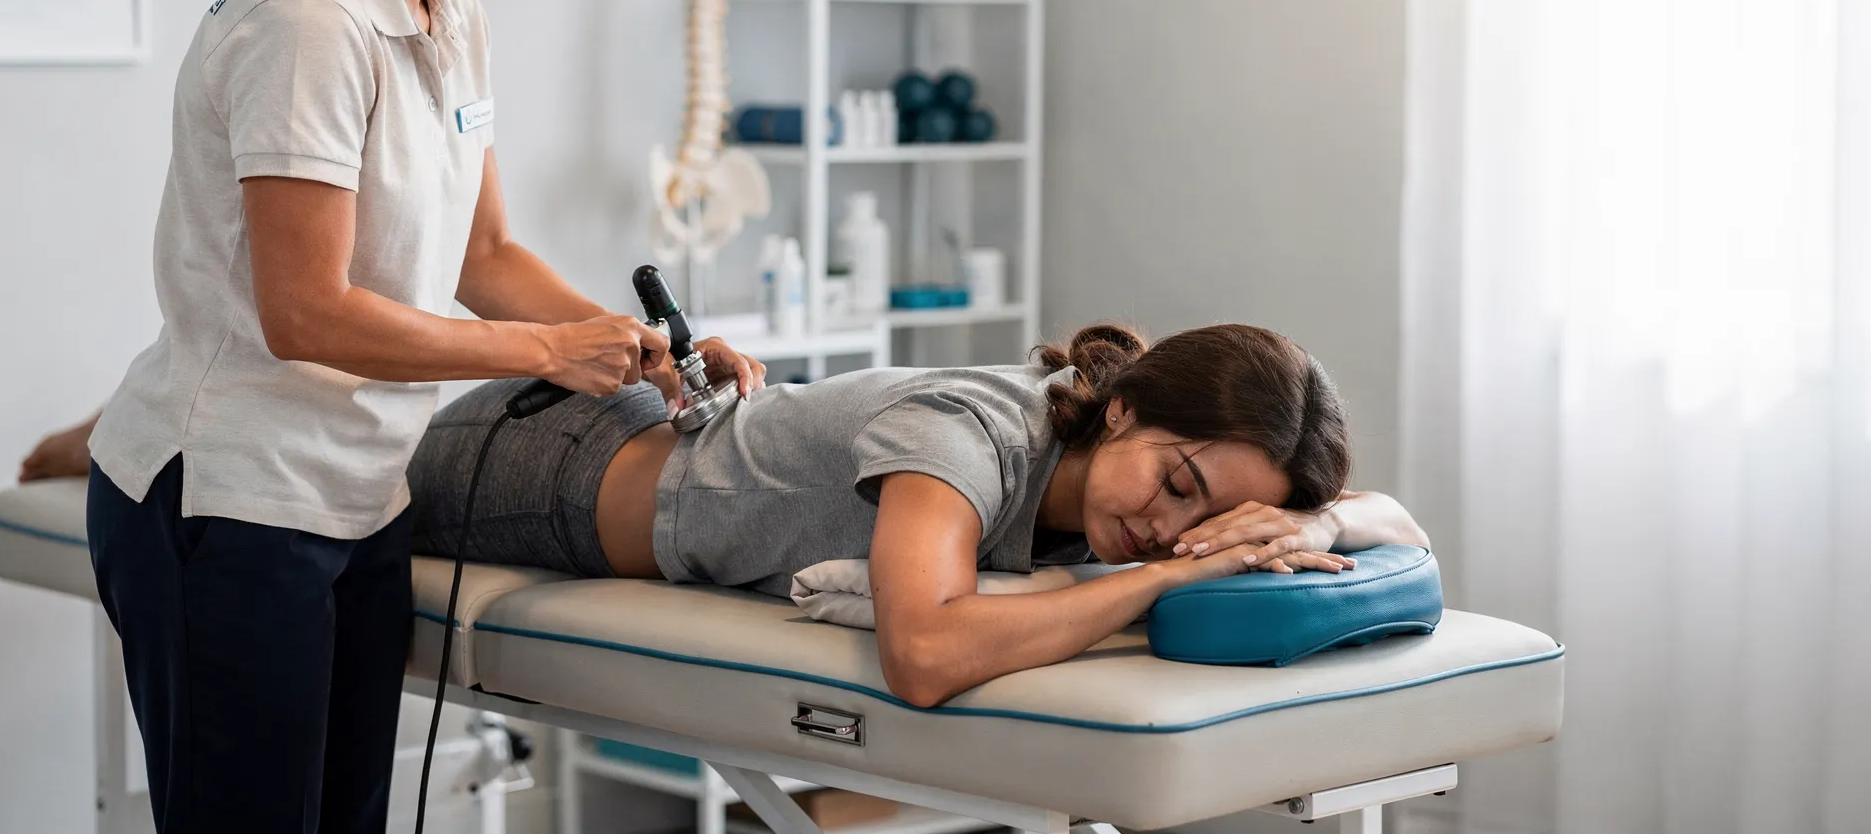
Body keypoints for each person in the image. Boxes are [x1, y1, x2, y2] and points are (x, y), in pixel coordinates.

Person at [79, 0, 759, 834]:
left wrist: (642, 348)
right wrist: (550, 353)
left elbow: (483, 257)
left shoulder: (455, 14)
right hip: (233, 503)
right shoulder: (307, 18)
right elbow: (305, 312)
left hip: (360, 500)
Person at [401, 321, 1430, 707]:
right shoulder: (967, 435)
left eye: (1204, 519)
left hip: (626, 434)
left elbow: (1398, 525)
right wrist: (1158, 581)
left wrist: (1315, 527)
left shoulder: (1159, 462)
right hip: (537, 469)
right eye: (1173, 486)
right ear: (1121, 408)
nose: (1168, 527)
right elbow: (924, 655)